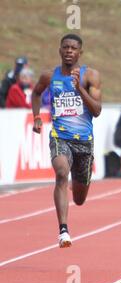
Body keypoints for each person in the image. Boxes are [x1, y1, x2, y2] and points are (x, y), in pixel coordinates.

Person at [32, 34, 102, 248]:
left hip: (84, 142)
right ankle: (63, 230)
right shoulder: (49, 76)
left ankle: (77, 181)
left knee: (80, 199)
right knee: (61, 172)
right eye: (65, 47)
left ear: (80, 52)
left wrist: (79, 89)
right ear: (60, 50)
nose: (69, 51)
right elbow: (36, 94)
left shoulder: (90, 75)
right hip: (60, 136)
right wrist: (36, 116)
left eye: (73, 48)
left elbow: (97, 110)